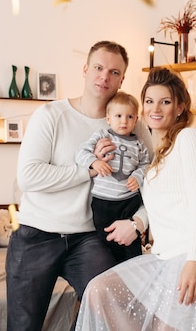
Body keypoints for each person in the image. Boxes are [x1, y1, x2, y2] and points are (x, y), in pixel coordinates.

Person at [6, 41, 153, 331]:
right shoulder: (51, 115)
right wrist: (86, 171)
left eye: (114, 72)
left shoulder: (133, 125)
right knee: (23, 327)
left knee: (112, 308)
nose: (104, 77)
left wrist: (139, 223)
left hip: (89, 238)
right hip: (36, 235)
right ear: (85, 69)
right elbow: (29, 177)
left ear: (122, 79)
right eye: (98, 68)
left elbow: (155, 181)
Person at [76, 67, 196, 331]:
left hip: (191, 255)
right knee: (98, 290)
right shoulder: (157, 154)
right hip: (164, 257)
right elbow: (158, 204)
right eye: (149, 101)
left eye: (165, 101)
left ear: (180, 106)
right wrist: (137, 222)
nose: (155, 108)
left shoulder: (188, 138)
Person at [76, 91, 151, 262]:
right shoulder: (103, 135)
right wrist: (94, 163)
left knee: (131, 247)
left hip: (128, 200)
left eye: (130, 116)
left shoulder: (139, 144)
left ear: (136, 120)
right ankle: (111, 266)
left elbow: (146, 165)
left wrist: (138, 176)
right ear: (108, 118)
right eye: (119, 116)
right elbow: (81, 153)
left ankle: (131, 269)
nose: (124, 121)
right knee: (106, 240)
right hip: (104, 201)